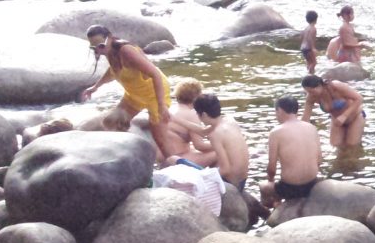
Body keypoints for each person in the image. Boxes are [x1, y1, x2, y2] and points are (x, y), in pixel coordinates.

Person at [82, 24, 173, 157]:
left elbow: (155, 74)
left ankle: (179, 169)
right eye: (94, 48)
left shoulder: (126, 51)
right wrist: (96, 87)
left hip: (154, 94)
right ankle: (126, 156)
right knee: (111, 122)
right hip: (134, 95)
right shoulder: (109, 52)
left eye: (101, 46)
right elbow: (113, 71)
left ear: (110, 38)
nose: (99, 51)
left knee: (161, 141)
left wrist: (161, 105)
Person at [259, 95, 323, 214]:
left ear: (280, 110)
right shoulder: (312, 128)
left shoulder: (276, 132)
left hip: (290, 187)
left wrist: (270, 181)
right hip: (312, 184)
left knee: (263, 187)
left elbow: (272, 168)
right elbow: (319, 160)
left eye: (276, 111)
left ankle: (275, 208)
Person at [191, 92, 250, 188]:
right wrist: (175, 120)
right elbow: (202, 131)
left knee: (179, 163)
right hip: (242, 181)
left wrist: (201, 175)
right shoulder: (230, 121)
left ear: (204, 114)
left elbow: (225, 170)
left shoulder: (215, 134)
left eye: (198, 113)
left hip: (231, 184)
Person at [301, 74, 365, 148]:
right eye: (308, 92)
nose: (310, 94)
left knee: (352, 146)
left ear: (319, 86)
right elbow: (305, 119)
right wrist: (300, 133)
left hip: (355, 117)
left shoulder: (336, 86)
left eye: (312, 91)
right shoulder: (311, 97)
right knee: (335, 145)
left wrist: (344, 116)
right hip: (336, 121)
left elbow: (359, 99)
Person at [162, 79, 208, 160]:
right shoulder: (192, 114)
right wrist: (224, 145)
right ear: (197, 97)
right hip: (180, 158)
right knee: (220, 152)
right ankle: (223, 172)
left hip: (165, 158)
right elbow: (200, 146)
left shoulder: (171, 109)